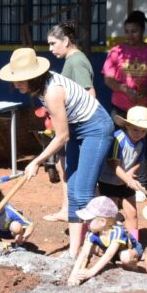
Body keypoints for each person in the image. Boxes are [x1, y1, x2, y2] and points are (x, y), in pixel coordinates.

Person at [0, 47, 114, 259]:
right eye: (15, 79)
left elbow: (62, 136)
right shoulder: (42, 88)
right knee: (72, 191)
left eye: (21, 79)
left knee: (83, 194)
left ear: (34, 76)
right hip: (77, 128)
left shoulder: (52, 91)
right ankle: (74, 251)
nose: (16, 84)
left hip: (96, 128)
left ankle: (98, 243)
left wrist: (36, 161)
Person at [103, 10, 147, 194]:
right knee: (115, 144)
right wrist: (124, 89)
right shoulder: (116, 52)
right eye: (127, 31)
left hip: (144, 110)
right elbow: (108, 79)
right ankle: (113, 183)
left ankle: (141, 183)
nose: (130, 35)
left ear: (142, 31)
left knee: (141, 146)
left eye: (134, 31)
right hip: (120, 108)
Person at [44, 21, 96, 222]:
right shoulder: (72, 60)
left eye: (52, 43)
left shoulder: (76, 61)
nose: (50, 49)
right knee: (63, 166)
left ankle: (73, 211)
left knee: (69, 169)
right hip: (72, 124)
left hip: (77, 126)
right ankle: (67, 209)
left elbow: (89, 93)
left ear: (65, 41)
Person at [98, 106, 147, 240]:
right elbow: (113, 164)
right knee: (110, 213)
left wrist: (131, 172)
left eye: (143, 130)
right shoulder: (118, 139)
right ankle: (106, 241)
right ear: (127, 125)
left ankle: (134, 243)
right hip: (109, 181)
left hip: (125, 181)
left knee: (132, 212)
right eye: (135, 129)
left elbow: (139, 160)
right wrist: (129, 180)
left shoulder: (142, 142)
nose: (139, 133)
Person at [67, 196, 142, 286]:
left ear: (103, 221)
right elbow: (84, 253)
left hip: (127, 250)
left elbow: (109, 254)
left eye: (89, 220)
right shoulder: (92, 232)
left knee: (125, 256)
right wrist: (73, 274)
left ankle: (133, 271)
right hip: (110, 250)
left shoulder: (117, 231)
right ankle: (113, 264)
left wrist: (91, 272)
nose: (85, 222)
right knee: (90, 249)